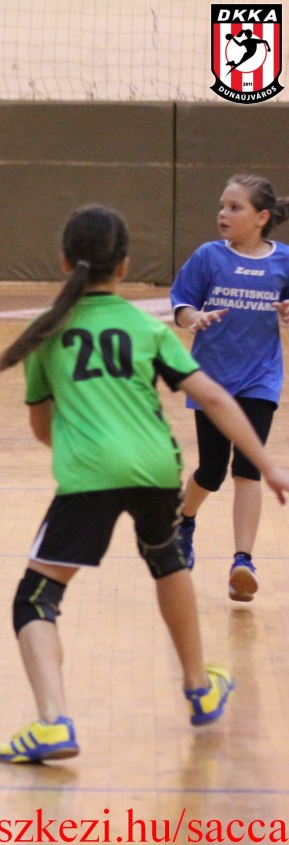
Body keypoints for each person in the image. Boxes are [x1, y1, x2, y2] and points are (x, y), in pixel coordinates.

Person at [0, 205, 289, 764]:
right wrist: (267, 464)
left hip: (91, 475)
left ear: (64, 262)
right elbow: (215, 397)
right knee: (167, 561)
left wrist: (86, 452)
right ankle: (199, 688)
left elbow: (42, 428)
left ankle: (53, 723)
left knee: (35, 599)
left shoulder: (48, 335)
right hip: (157, 469)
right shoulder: (146, 328)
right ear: (124, 266)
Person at [170, 175, 289, 603]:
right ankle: (184, 519)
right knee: (212, 471)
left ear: (261, 217)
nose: (223, 213)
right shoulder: (209, 257)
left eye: (235, 207)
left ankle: (243, 561)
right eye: (222, 205)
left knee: (248, 468)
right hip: (212, 380)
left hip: (260, 379)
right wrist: (194, 319)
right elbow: (181, 303)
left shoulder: (284, 261)